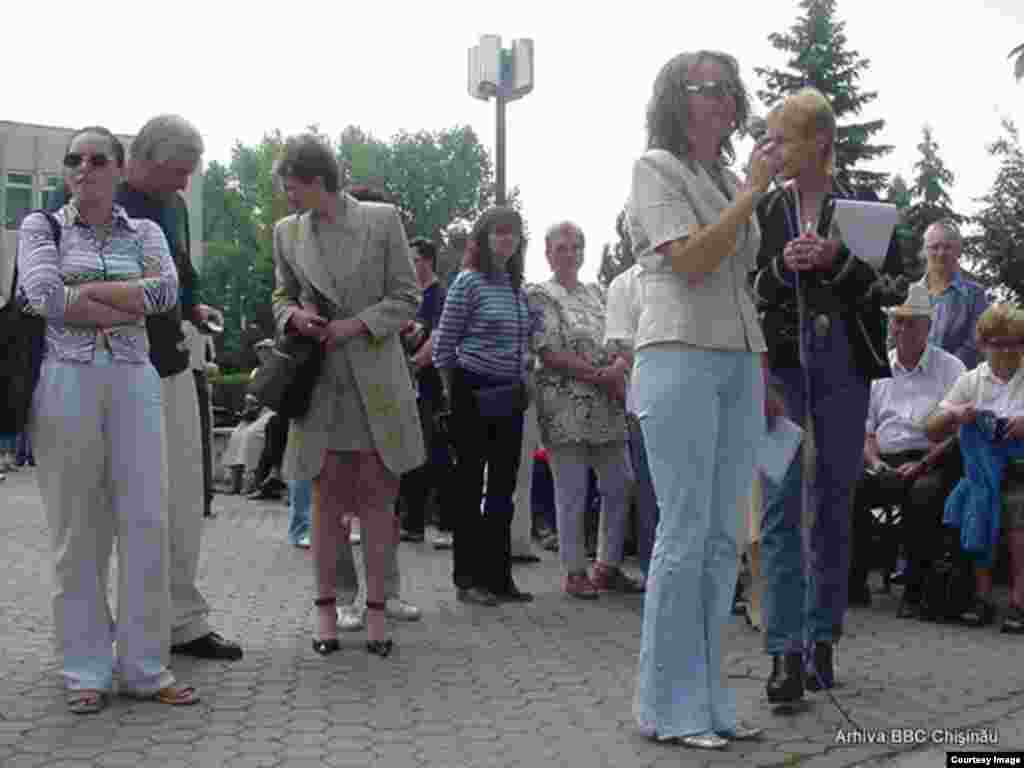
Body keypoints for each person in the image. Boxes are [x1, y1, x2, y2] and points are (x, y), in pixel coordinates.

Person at [627, 50, 777, 749]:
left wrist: (765, 374)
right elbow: (689, 258)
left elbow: (742, 281)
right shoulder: (655, 168)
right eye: (702, 88)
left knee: (723, 540)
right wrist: (751, 193)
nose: (718, 98)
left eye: (726, 88)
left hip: (738, 359)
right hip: (679, 355)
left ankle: (712, 701)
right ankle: (668, 708)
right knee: (684, 535)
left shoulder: (721, 176)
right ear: (674, 99)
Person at [19, 125, 196, 712]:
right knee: (78, 530)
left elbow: (164, 293)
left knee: (146, 521)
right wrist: (121, 296)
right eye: (76, 159)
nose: (85, 168)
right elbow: (42, 294)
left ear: (118, 170)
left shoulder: (145, 229)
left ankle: (145, 667)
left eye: (98, 159)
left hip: (134, 378)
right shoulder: (40, 226)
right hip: (67, 381)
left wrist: (87, 292)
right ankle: (85, 672)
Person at [752, 88, 899, 701]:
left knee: (833, 505)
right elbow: (748, 292)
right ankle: (784, 653)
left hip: (844, 369)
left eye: (783, 138)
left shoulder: (863, 212)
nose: (773, 149)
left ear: (821, 143)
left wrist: (838, 259)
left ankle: (823, 642)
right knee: (780, 506)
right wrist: (782, 269)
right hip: (783, 371)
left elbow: (894, 286)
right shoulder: (763, 212)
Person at [271, 135, 424, 657]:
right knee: (324, 499)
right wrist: (293, 316)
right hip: (319, 383)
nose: (289, 200)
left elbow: (408, 296)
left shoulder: (382, 221)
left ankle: (378, 610)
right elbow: (280, 294)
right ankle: (326, 612)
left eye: (294, 190)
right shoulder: (287, 232)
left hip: (377, 380)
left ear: (320, 182)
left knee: (378, 499)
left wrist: (357, 325)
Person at [117, 114, 242, 661]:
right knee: (139, 503)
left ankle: (183, 620)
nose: (185, 184)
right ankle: (138, 625)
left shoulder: (170, 206)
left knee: (186, 494)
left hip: (176, 359)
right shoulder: (107, 205)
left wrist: (195, 306)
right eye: (177, 172)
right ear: (142, 159)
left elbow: (181, 270)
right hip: (125, 366)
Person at [433, 206, 537, 606]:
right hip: (471, 392)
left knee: (502, 490)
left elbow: (522, 344)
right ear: (483, 239)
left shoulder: (515, 288)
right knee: (469, 486)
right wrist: (452, 395)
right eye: (498, 233)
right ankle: (468, 579)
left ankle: (499, 576)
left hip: (509, 395)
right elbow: (444, 347)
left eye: (512, 234)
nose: (506, 240)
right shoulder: (467, 282)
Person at [528, 221, 637, 599]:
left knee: (620, 483)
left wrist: (619, 369)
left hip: (608, 403)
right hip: (565, 406)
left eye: (576, 246)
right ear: (548, 253)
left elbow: (624, 338)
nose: (570, 253)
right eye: (562, 247)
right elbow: (549, 350)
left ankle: (608, 564)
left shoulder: (598, 292)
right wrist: (598, 374)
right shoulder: (540, 295)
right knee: (571, 491)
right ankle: (575, 570)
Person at [849, 283, 965, 615]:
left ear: (928, 327)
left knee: (924, 496)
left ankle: (916, 591)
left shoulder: (951, 369)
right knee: (850, 487)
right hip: (885, 461)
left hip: (935, 459)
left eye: (910, 322)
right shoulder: (877, 370)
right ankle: (853, 584)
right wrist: (874, 462)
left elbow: (958, 432)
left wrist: (924, 463)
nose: (900, 328)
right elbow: (866, 431)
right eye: (896, 321)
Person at [926, 303, 1024, 633]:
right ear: (983, 344)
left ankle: (1018, 601)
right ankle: (981, 597)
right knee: (978, 503)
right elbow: (932, 429)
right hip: (981, 474)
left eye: (1015, 342)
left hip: (1019, 471)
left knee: (1016, 507)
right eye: (999, 343)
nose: (1008, 350)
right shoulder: (970, 381)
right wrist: (957, 415)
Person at [604, 261, 660, 582]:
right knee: (651, 493)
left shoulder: (694, 267)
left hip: (698, 399)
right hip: (647, 402)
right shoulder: (623, 284)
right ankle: (656, 577)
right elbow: (620, 343)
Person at [398, 237, 455, 549]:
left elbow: (440, 336)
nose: (409, 265)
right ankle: (412, 522)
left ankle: (446, 524)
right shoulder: (409, 296)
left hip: (432, 385)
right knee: (409, 451)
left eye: (413, 259)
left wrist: (413, 365)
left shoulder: (439, 295)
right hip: (408, 386)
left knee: (437, 453)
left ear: (427, 261)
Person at [917, 220, 989, 370]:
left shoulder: (975, 295)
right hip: (911, 379)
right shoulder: (909, 293)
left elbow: (974, 343)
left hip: (956, 380)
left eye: (948, 247)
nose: (941, 253)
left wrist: (944, 371)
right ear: (925, 251)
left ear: (958, 252)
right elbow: (895, 341)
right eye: (934, 247)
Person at [183, 319, 217, 516]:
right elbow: (210, 360)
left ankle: (196, 499)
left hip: (183, 378)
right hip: (199, 379)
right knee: (202, 441)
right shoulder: (202, 323)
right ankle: (204, 500)